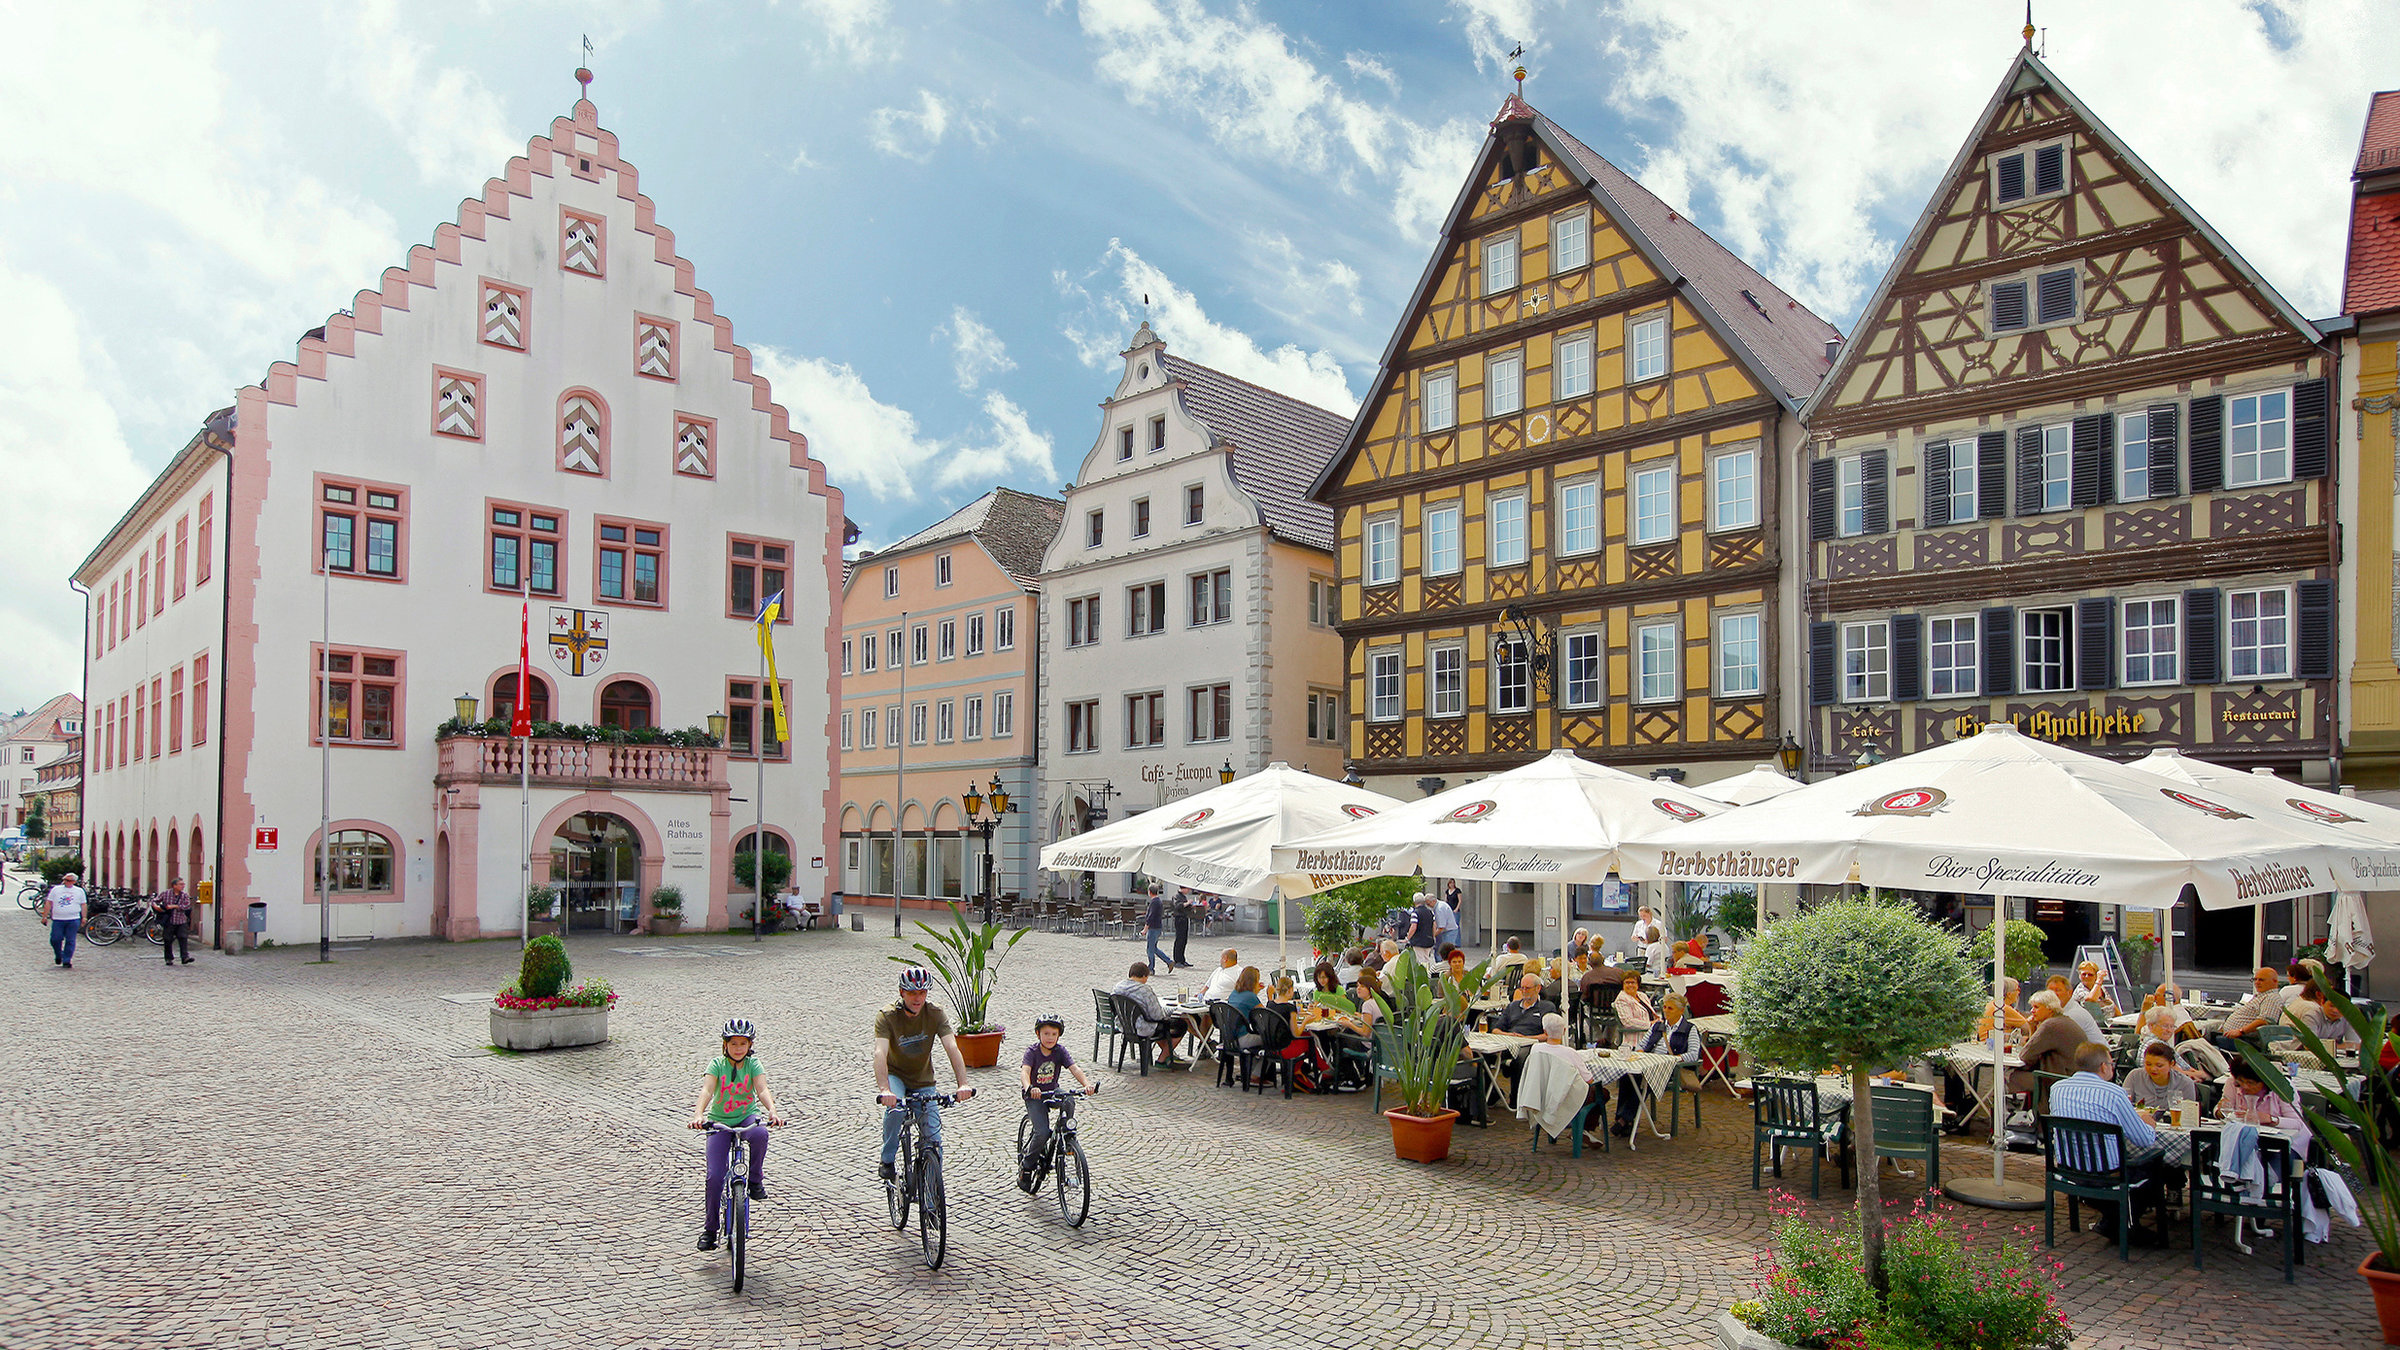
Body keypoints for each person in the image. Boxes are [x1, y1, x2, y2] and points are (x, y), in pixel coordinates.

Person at [2047, 1042, 2164, 1245]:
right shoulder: (2113, 1093)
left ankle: (2112, 1220)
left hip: (2068, 1168)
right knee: (2157, 1164)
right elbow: (2143, 1139)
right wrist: (2148, 1122)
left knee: (2126, 1160)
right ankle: (2127, 1226)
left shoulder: (2057, 1089)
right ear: (2103, 1066)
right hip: (2105, 1173)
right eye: (2111, 1063)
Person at [687, 1016, 786, 1250]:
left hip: (746, 1117)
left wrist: (772, 1111)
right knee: (714, 1177)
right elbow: (707, 1090)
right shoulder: (717, 1065)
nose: (738, 1048)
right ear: (725, 1045)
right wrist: (699, 1115)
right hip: (720, 1122)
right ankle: (710, 1230)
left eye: (743, 1044)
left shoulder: (753, 1065)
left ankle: (755, 1181)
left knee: (761, 1134)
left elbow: (762, 1089)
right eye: (733, 1044)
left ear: (750, 1045)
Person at [874, 966, 977, 1182]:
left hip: (923, 1080)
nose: (917, 998)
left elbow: (952, 1047)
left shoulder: (935, 1013)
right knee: (895, 1111)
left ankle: (932, 1199)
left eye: (922, 993)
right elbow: (880, 1052)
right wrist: (884, 1089)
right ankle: (887, 1159)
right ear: (902, 992)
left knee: (933, 1138)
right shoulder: (888, 1016)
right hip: (896, 1076)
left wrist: (963, 1083)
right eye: (912, 993)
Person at [1017, 1014, 1097, 1191]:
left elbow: (1074, 1068)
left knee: (1068, 1099)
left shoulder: (1060, 1051)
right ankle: (1027, 1167)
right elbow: (1025, 1072)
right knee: (1042, 1132)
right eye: (1046, 1034)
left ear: (1059, 1035)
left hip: (1052, 1091)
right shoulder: (1032, 1052)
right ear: (1038, 1034)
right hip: (1035, 1096)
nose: (1050, 1038)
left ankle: (1067, 1131)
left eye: (1054, 1034)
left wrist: (1086, 1084)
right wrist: (1029, 1087)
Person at [1613, 994, 1702, 1136]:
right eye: (1665, 1007)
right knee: (1627, 1075)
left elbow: (1693, 1054)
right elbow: (1642, 1044)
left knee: (1646, 1080)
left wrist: (1674, 1059)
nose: (1666, 1011)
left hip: (1672, 1068)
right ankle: (1623, 1118)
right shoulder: (1657, 1026)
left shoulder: (1689, 1029)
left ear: (1681, 1010)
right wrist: (1640, 1052)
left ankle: (1625, 1119)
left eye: (1670, 1008)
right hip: (1650, 1062)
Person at [2007, 991, 2089, 1112]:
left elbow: (2025, 1055)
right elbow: (2033, 1048)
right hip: (2076, 1078)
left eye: (2036, 1007)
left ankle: (2016, 1118)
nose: (2032, 1011)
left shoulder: (2050, 1026)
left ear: (2050, 1009)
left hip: (2057, 1080)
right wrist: (2031, 1027)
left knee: (2010, 1076)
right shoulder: (2064, 1021)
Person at [2220, 1059, 2311, 1157]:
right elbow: (2222, 1108)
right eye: (2241, 1081)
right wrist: (2220, 1111)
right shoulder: (2232, 1083)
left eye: (2250, 1082)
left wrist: (2269, 1119)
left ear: (2263, 1081)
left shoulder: (2282, 1087)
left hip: (2286, 1142)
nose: (2245, 1086)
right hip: (2246, 1139)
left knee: (2270, 1166)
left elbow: (2297, 1123)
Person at [1111, 962, 1193, 1068]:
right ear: (1145, 976)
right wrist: (1171, 1010)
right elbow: (1157, 1016)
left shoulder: (1117, 987)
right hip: (1143, 1027)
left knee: (1162, 1026)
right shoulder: (1144, 990)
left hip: (1125, 1026)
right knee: (1180, 1025)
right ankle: (1162, 1059)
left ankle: (1169, 1055)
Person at [2218, 966, 2295, 1045]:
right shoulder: (2263, 996)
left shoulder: (2271, 998)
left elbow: (2264, 1021)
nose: (2257, 982)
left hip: (2244, 1040)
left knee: (2206, 1041)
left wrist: (2241, 1031)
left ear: (2274, 981)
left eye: (2261, 980)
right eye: (2255, 979)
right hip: (2234, 1036)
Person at [2124, 1040, 2197, 1115]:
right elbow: (2124, 1106)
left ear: (2171, 1064)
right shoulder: (2135, 1076)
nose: (2153, 1069)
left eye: (2159, 1066)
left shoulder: (2185, 1083)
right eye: (2148, 1064)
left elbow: (2188, 1115)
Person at [41, 872, 85, 970]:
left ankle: (67, 960)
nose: (66, 882)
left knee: (70, 940)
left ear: (74, 881)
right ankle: (59, 954)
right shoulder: (56, 890)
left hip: (73, 918)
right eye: (65, 880)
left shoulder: (79, 891)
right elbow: (49, 902)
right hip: (58, 919)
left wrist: (84, 917)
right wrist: (45, 916)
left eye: (69, 880)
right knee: (55, 939)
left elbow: (83, 904)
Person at [1491, 973, 1557, 1037]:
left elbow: (1550, 1035)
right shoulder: (1512, 1006)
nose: (1524, 991)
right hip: (1510, 1040)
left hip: (1532, 1044)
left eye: (1527, 988)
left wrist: (1526, 1038)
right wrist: (1509, 1035)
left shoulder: (1547, 1007)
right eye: (1522, 988)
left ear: (1538, 988)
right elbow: (1496, 1030)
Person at [2048, 975, 2105, 1043]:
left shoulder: (2073, 1014)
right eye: (2050, 990)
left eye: (2058, 990)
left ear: (2069, 992)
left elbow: (2055, 1042)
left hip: (2095, 1052)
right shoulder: (2059, 1010)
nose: (2053, 994)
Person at [155, 877, 195, 966]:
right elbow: (155, 901)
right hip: (169, 920)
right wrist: (156, 907)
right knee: (168, 939)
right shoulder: (165, 894)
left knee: (183, 938)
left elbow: (186, 906)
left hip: (181, 920)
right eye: (181, 884)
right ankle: (168, 958)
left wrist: (175, 906)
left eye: (183, 884)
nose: (183, 886)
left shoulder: (184, 895)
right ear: (174, 886)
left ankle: (185, 957)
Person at [1614, 971, 1658, 1045]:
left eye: (1633, 982)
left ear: (1638, 984)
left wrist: (1658, 1021)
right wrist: (1650, 1024)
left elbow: (1651, 1014)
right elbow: (1628, 1022)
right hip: (1636, 1039)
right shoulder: (1622, 999)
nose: (1630, 985)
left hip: (1651, 1034)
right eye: (1627, 983)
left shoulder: (1642, 996)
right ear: (1623, 985)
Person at [1403, 888, 1440, 961]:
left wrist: (1407, 938)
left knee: (1420, 960)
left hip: (1418, 941)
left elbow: (1413, 926)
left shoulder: (1415, 913)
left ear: (1414, 902)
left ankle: (1423, 972)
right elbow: (1434, 925)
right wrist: (1433, 936)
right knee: (1426, 959)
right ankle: (1427, 971)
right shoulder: (1430, 912)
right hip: (1429, 940)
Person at [1142, 886, 1173, 972]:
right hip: (1157, 927)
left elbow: (1150, 917)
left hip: (1153, 928)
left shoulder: (1154, 902)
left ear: (1149, 892)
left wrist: (1145, 928)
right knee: (1154, 948)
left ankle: (1151, 968)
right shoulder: (1158, 901)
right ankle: (1169, 961)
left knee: (1150, 949)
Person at [1170, 887, 1195, 971]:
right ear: (1183, 888)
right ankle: (1177, 960)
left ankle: (1182, 959)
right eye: (1187, 889)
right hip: (1179, 919)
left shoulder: (1183, 897)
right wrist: (1187, 903)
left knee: (1184, 940)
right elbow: (1177, 906)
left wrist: (1191, 906)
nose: (1188, 891)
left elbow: (1185, 907)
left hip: (1184, 918)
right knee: (1179, 939)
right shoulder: (1176, 896)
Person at [1433, 887, 1462, 954]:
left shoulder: (1457, 891)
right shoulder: (1447, 892)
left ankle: (1457, 943)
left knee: (1447, 949)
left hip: (1454, 911)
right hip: (1447, 925)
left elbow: (1441, 927)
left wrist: (1433, 935)